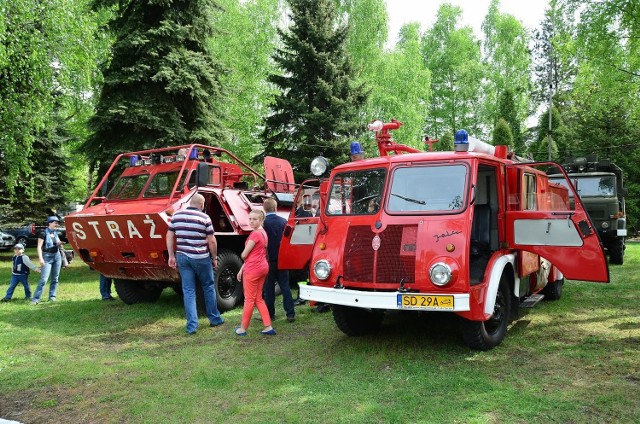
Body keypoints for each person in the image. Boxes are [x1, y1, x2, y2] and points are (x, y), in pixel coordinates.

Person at [166, 193, 224, 335]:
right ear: (202, 205)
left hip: (182, 257)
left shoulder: (177, 216)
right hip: (201, 257)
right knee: (208, 287)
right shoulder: (204, 218)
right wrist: (214, 257)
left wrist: (171, 256)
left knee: (188, 291)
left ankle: (192, 326)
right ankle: (214, 318)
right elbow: (211, 240)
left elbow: (169, 235)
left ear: (190, 203)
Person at [234, 209, 275, 336]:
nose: (251, 221)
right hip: (262, 267)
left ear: (261, 220)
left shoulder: (255, 234)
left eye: (254, 219)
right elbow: (255, 254)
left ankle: (243, 328)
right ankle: (268, 326)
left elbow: (245, 254)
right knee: (258, 298)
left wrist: (242, 257)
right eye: (250, 219)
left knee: (249, 299)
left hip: (253, 269)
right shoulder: (263, 233)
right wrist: (242, 268)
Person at [262, 198, 295, 322]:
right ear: (276, 208)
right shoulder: (283, 221)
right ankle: (290, 313)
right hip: (282, 259)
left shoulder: (263, 223)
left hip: (269, 259)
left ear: (264, 209)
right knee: (285, 286)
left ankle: (270, 315)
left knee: (269, 288)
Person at [31, 216, 63, 305]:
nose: (57, 224)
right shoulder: (43, 233)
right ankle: (36, 299)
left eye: (57, 223)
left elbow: (58, 244)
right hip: (47, 257)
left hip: (57, 256)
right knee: (44, 279)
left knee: (55, 278)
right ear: (49, 223)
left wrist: (60, 244)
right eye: (55, 223)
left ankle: (52, 296)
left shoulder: (55, 233)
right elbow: (39, 247)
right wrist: (41, 259)